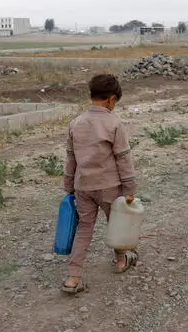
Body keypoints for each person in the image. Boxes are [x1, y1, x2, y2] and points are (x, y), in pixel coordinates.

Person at [62, 74, 137, 294]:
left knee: (84, 228)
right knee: (117, 225)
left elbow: (70, 157)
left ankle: (73, 278)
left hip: (82, 186)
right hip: (109, 186)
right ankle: (121, 261)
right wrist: (130, 189)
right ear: (112, 100)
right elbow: (123, 157)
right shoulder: (114, 123)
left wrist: (69, 185)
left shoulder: (76, 122)